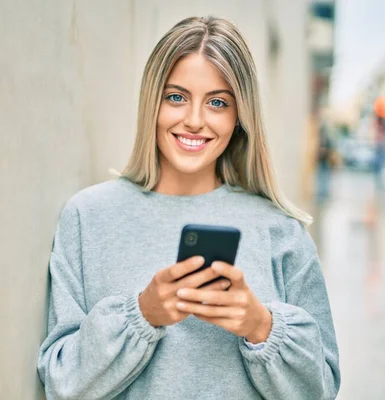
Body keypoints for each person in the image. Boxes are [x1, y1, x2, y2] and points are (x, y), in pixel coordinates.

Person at [37, 16, 341, 400]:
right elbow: (61, 383)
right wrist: (142, 315)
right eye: (176, 97)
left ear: (239, 117)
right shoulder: (87, 216)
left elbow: (322, 389)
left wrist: (260, 325)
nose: (194, 121)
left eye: (217, 103)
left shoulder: (280, 229)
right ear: (152, 102)